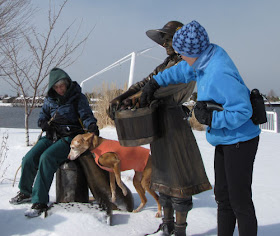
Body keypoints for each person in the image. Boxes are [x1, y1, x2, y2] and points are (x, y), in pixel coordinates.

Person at [140, 20, 261, 236]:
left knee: (239, 201)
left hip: (241, 140)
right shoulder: (205, 57)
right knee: (223, 198)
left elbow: (243, 112)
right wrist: (155, 82)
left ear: (193, 51)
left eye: (182, 53)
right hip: (226, 139)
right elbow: (182, 70)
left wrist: (213, 119)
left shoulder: (218, 72)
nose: (181, 57)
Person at [108, 21, 212, 236]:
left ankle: (180, 229)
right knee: (162, 175)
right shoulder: (166, 63)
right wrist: (120, 98)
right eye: (163, 40)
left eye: (168, 39)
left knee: (179, 177)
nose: (164, 43)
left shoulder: (187, 64)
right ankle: (167, 224)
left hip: (174, 123)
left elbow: (159, 89)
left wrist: (133, 100)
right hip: (157, 123)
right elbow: (145, 83)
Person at [9, 68, 99, 218]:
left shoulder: (77, 97)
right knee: (29, 158)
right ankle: (25, 192)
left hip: (70, 137)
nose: (59, 89)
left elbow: (86, 115)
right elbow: (42, 116)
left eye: (62, 86)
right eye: (56, 87)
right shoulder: (50, 99)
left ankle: (40, 201)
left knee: (47, 158)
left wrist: (91, 126)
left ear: (67, 84)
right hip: (52, 135)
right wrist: (44, 123)